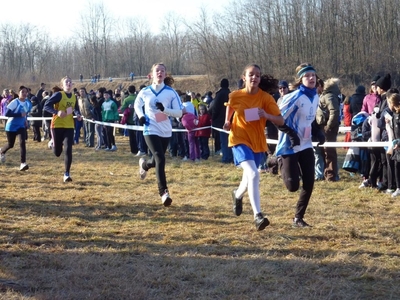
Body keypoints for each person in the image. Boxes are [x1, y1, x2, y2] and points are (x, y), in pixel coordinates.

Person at [223, 64, 284, 231]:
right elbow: (230, 105)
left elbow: (280, 120)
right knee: (253, 173)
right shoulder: (236, 95)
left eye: (257, 75)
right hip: (238, 138)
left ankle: (237, 195)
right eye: (251, 74)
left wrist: (266, 115)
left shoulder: (265, 98)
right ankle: (258, 215)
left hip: (257, 142)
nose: (254, 78)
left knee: (248, 176)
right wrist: (228, 121)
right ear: (244, 77)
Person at [276, 63, 325, 227]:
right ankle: (276, 160)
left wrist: (318, 131)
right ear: (300, 79)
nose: (311, 78)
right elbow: (277, 118)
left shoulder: (316, 96)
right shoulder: (294, 96)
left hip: (305, 145)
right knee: (292, 186)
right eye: (307, 76)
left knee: (309, 182)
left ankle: (298, 218)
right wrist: (290, 134)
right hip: (289, 145)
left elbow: (309, 120)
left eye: (313, 75)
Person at [134, 63, 185, 206]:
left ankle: (144, 165)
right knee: (160, 157)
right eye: (157, 70)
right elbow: (137, 105)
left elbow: (179, 112)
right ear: (152, 74)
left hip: (166, 130)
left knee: (156, 160)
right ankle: (164, 192)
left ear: (165, 74)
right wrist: (141, 116)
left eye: (163, 70)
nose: (160, 73)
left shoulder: (171, 92)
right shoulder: (145, 91)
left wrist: (165, 110)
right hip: (150, 129)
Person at [44, 76, 82, 182]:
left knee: (68, 149)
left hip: (69, 126)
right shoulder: (59, 95)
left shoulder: (74, 97)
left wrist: (78, 115)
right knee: (57, 152)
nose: (69, 83)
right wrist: (56, 112)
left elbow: (76, 109)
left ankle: (67, 174)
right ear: (62, 85)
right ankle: (53, 143)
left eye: (70, 82)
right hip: (57, 125)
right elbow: (46, 106)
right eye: (66, 82)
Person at [0, 85, 32, 171]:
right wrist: (19, 115)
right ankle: (1, 151)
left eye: (26, 92)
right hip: (11, 126)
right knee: (11, 144)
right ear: (19, 93)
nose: (25, 94)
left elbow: (25, 113)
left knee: (22, 143)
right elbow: (6, 114)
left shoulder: (28, 103)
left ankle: (23, 163)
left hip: (21, 126)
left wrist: (25, 120)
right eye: (22, 92)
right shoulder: (14, 102)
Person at [319, 78, 341, 181]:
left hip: (328, 127)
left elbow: (334, 112)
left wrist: (328, 126)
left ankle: (331, 175)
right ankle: (328, 173)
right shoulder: (330, 95)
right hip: (326, 126)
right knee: (326, 150)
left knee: (329, 151)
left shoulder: (329, 96)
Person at [209, 78, 233, 162]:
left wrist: (213, 118)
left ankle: (226, 158)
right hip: (230, 120)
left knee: (224, 141)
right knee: (230, 140)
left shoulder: (219, 94)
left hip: (220, 121)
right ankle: (231, 157)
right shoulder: (230, 94)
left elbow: (215, 107)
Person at [119, 85, 138, 154]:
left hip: (130, 119)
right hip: (138, 119)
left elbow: (122, 109)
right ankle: (139, 149)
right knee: (138, 135)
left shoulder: (127, 99)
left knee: (131, 136)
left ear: (129, 91)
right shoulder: (138, 97)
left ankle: (133, 150)